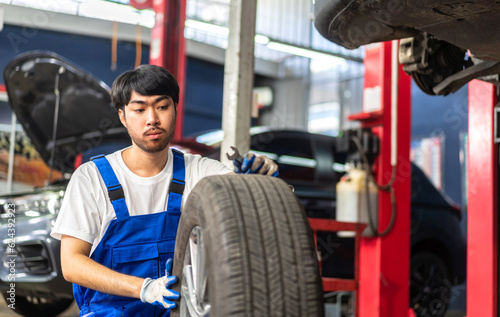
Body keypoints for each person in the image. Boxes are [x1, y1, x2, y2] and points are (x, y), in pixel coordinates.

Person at [50, 64, 278, 316]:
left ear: (175, 110)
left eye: (162, 106)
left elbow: (245, 196)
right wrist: (145, 289)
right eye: (139, 109)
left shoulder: (198, 171)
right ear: (123, 116)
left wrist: (259, 180)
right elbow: (71, 264)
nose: (152, 119)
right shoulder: (92, 179)